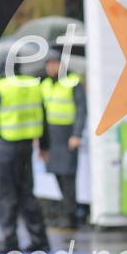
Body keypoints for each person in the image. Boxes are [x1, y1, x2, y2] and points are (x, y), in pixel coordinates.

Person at [0, 58, 50, 254]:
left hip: (4, 148)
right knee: (27, 195)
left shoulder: (1, 88)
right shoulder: (33, 87)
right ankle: (40, 240)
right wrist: (44, 146)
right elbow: (43, 117)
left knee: (5, 197)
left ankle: (10, 241)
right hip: (26, 147)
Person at [40, 50, 87, 230]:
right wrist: (42, 144)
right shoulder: (44, 85)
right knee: (58, 175)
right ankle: (65, 212)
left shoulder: (73, 82)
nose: (51, 67)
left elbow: (81, 110)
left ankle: (70, 215)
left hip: (67, 134)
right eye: (49, 64)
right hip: (52, 136)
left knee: (68, 177)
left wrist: (76, 134)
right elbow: (42, 114)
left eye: (54, 63)